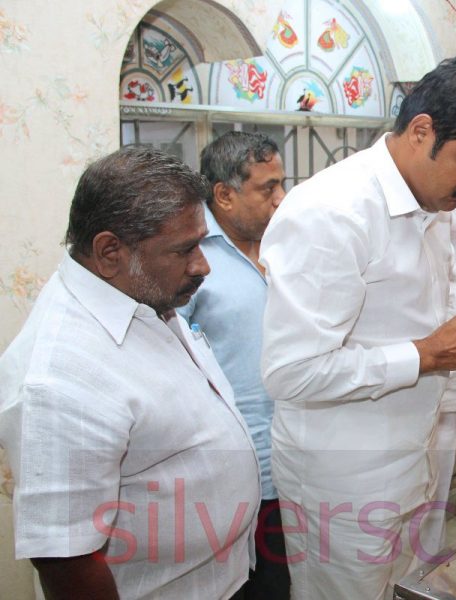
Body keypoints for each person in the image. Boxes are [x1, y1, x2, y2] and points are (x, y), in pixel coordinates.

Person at [258, 54, 456, 600]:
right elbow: (290, 373)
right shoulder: (331, 212)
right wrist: (429, 354)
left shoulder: (438, 197)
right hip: (345, 479)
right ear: (420, 131)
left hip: (419, 456)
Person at [0, 147, 260, 599]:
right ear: (109, 252)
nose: (202, 265)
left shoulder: (140, 296)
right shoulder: (61, 375)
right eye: (184, 250)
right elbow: (68, 560)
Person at [176, 132, 289, 599]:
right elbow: (174, 359)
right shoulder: (189, 256)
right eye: (268, 188)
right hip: (229, 472)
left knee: (284, 584)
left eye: (282, 184)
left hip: (291, 458)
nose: (281, 199)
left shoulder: (286, 243)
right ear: (224, 194)